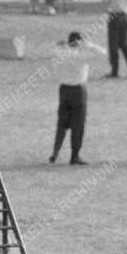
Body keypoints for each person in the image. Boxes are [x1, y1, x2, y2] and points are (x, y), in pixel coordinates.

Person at [49, 31, 106, 166]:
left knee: (61, 124)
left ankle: (55, 151)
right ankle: (74, 156)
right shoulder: (81, 56)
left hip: (63, 90)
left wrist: (60, 45)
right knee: (78, 125)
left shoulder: (60, 54)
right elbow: (103, 52)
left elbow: (53, 48)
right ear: (79, 43)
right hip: (78, 91)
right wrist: (88, 45)